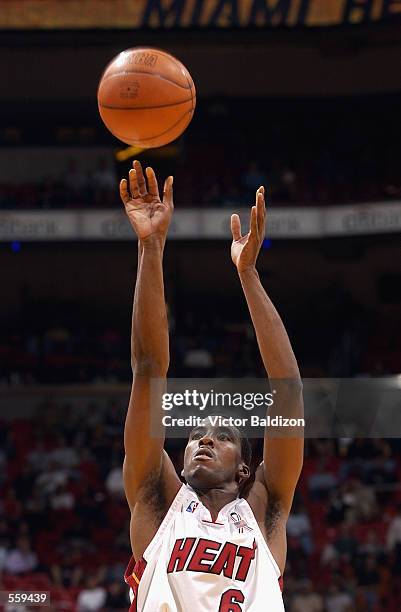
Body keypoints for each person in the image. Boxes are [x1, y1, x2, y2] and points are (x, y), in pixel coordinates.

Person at [120, 160, 304, 611]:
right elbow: (147, 368)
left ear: (244, 470)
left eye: (223, 437)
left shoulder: (264, 511)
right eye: (197, 435)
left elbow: (288, 390)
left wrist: (249, 276)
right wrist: (151, 246)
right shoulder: (158, 501)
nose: (203, 438)